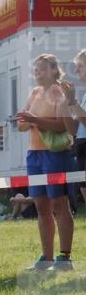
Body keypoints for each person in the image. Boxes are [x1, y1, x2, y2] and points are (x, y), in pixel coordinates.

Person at [16, 53, 77, 271]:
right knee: (41, 206)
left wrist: (33, 120)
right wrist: (25, 121)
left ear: (53, 70)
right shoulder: (34, 93)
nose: (37, 73)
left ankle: (65, 257)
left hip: (55, 154)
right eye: (35, 69)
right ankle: (47, 257)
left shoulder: (59, 92)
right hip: (34, 155)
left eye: (41, 69)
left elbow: (63, 126)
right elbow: (22, 125)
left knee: (59, 205)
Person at [61, 48, 86, 208]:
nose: (76, 70)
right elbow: (75, 130)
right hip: (82, 147)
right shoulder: (85, 95)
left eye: (81, 66)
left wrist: (73, 102)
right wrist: (64, 103)